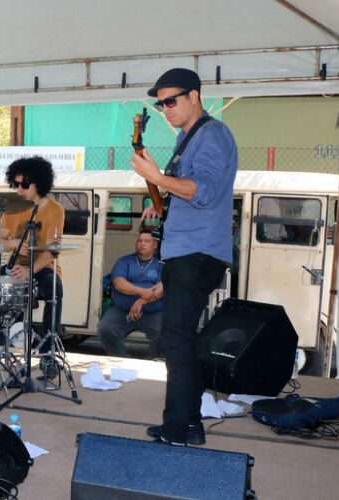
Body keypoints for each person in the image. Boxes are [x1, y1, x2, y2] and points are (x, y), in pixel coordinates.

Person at [131, 68, 237, 446]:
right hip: (185, 251)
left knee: (176, 338)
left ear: (195, 96)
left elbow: (204, 190)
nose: (165, 109)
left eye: (171, 100)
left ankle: (179, 428)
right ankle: (187, 425)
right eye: (160, 104)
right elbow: (190, 193)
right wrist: (162, 205)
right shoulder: (187, 138)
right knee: (179, 338)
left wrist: (157, 178)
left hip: (198, 252)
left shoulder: (210, 134)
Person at [0, 156, 65, 377]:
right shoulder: (11, 208)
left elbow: (52, 250)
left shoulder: (56, 210)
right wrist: (15, 244)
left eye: (25, 185)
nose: (19, 189)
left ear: (40, 184)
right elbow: (2, 242)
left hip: (43, 268)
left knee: (54, 289)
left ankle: (48, 356)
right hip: (13, 267)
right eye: (17, 184)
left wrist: (31, 270)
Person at [97, 229, 163, 359]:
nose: (142, 243)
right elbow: (119, 284)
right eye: (139, 240)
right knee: (105, 329)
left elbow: (162, 289)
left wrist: (140, 302)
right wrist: (144, 292)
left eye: (147, 241)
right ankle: (122, 359)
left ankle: (152, 361)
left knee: (166, 333)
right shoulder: (124, 261)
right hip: (122, 310)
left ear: (155, 244)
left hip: (153, 311)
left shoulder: (161, 264)